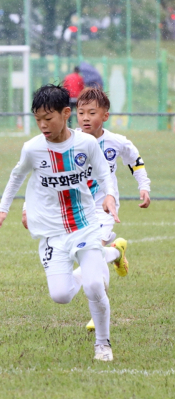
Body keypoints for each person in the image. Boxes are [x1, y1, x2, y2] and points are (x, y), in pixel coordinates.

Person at [0, 84, 119, 362]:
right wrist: (3, 210)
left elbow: (104, 172)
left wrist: (109, 196)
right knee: (60, 295)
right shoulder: (33, 149)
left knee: (95, 287)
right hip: (51, 232)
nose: (43, 125)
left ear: (66, 113)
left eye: (48, 118)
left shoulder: (87, 144)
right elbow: (16, 177)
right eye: (38, 119)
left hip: (84, 224)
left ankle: (102, 344)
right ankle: (109, 254)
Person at [75, 87, 150, 330]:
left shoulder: (116, 142)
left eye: (92, 112)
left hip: (105, 209)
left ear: (105, 116)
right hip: (76, 210)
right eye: (81, 112)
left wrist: (144, 186)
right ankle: (117, 252)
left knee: (93, 253)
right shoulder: (70, 140)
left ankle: (98, 311)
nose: (85, 118)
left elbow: (134, 161)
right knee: (87, 255)